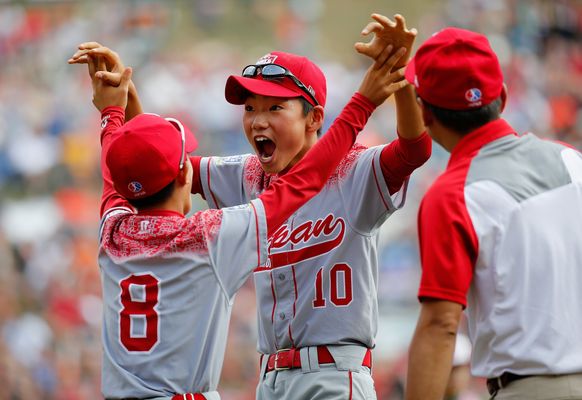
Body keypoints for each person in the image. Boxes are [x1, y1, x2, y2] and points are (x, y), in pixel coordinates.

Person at [70, 13, 431, 399]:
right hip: (270, 379)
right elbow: (156, 169)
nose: (258, 120)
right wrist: (130, 104)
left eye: (275, 108)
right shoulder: (243, 174)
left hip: (334, 373)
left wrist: (399, 78)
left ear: (315, 118)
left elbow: (415, 150)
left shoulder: (355, 168)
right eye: (250, 108)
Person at [403, 27, 582, 400]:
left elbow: (440, 326)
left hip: (531, 390)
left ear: (424, 111)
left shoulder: (450, 193)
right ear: (501, 96)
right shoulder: (571, 159)